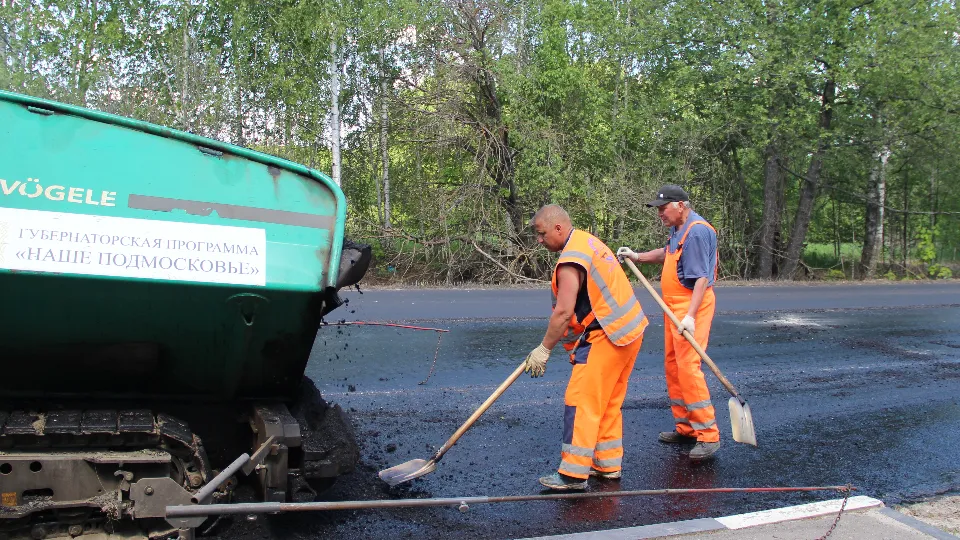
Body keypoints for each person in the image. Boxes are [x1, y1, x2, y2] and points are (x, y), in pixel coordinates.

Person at [524, 204, 649, 490]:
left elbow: (564, 313)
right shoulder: (587, 241)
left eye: (542, 234)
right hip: (630, 330)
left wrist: (543, 350)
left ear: (558, 228)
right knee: (607, 403)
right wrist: (571, 350)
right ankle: (607, 465)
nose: (539, 241)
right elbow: (576, 316)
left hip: (607, 335)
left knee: (581, 400)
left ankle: (572, 473)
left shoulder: (570, 260)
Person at [617, 184, 721, 461]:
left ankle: (708, 434)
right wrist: (637, 257)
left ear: (681, 205)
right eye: (658, 209)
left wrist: (690, 316)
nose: (660, 213)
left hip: (691, 305)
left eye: (663, 208)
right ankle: (686, 427)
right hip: (674, 305)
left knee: (688, 367)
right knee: (674, 365)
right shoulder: (679, 229)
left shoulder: (697, 231)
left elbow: (701, 278)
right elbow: (667, 254)